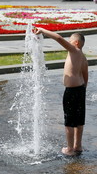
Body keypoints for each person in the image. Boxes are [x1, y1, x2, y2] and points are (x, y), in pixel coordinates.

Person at [33, 27, 88, 156]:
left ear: (76, 43)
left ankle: (69, 148)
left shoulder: (74, 50)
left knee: (69, 122)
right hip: (80, 90)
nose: (68, 43)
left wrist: (43, 30)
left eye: (70, 41)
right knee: (79, 120)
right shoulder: (83, 57)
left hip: (71, 91)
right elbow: (86, 75)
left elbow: (58, 38)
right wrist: (84, 89)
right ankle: (77, 146)